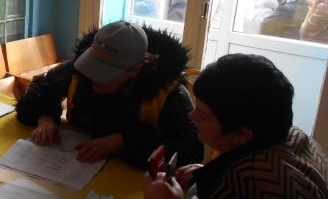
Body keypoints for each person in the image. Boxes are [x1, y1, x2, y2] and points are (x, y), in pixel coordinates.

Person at [143, 54, 328, 199]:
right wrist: (213, 174)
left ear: (241, 134)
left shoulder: (258, 191)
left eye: (203, 115)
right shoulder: (294, 138)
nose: (191, 116)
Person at [16, 21, 203, 168]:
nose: (93, 75)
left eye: (106, 71)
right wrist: (44, 117)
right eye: (93, 64)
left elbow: (192, 152)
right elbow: (40, 87)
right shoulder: (80, 69)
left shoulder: (168, 93)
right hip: (74, 165)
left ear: (135, 69)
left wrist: (124, 141)